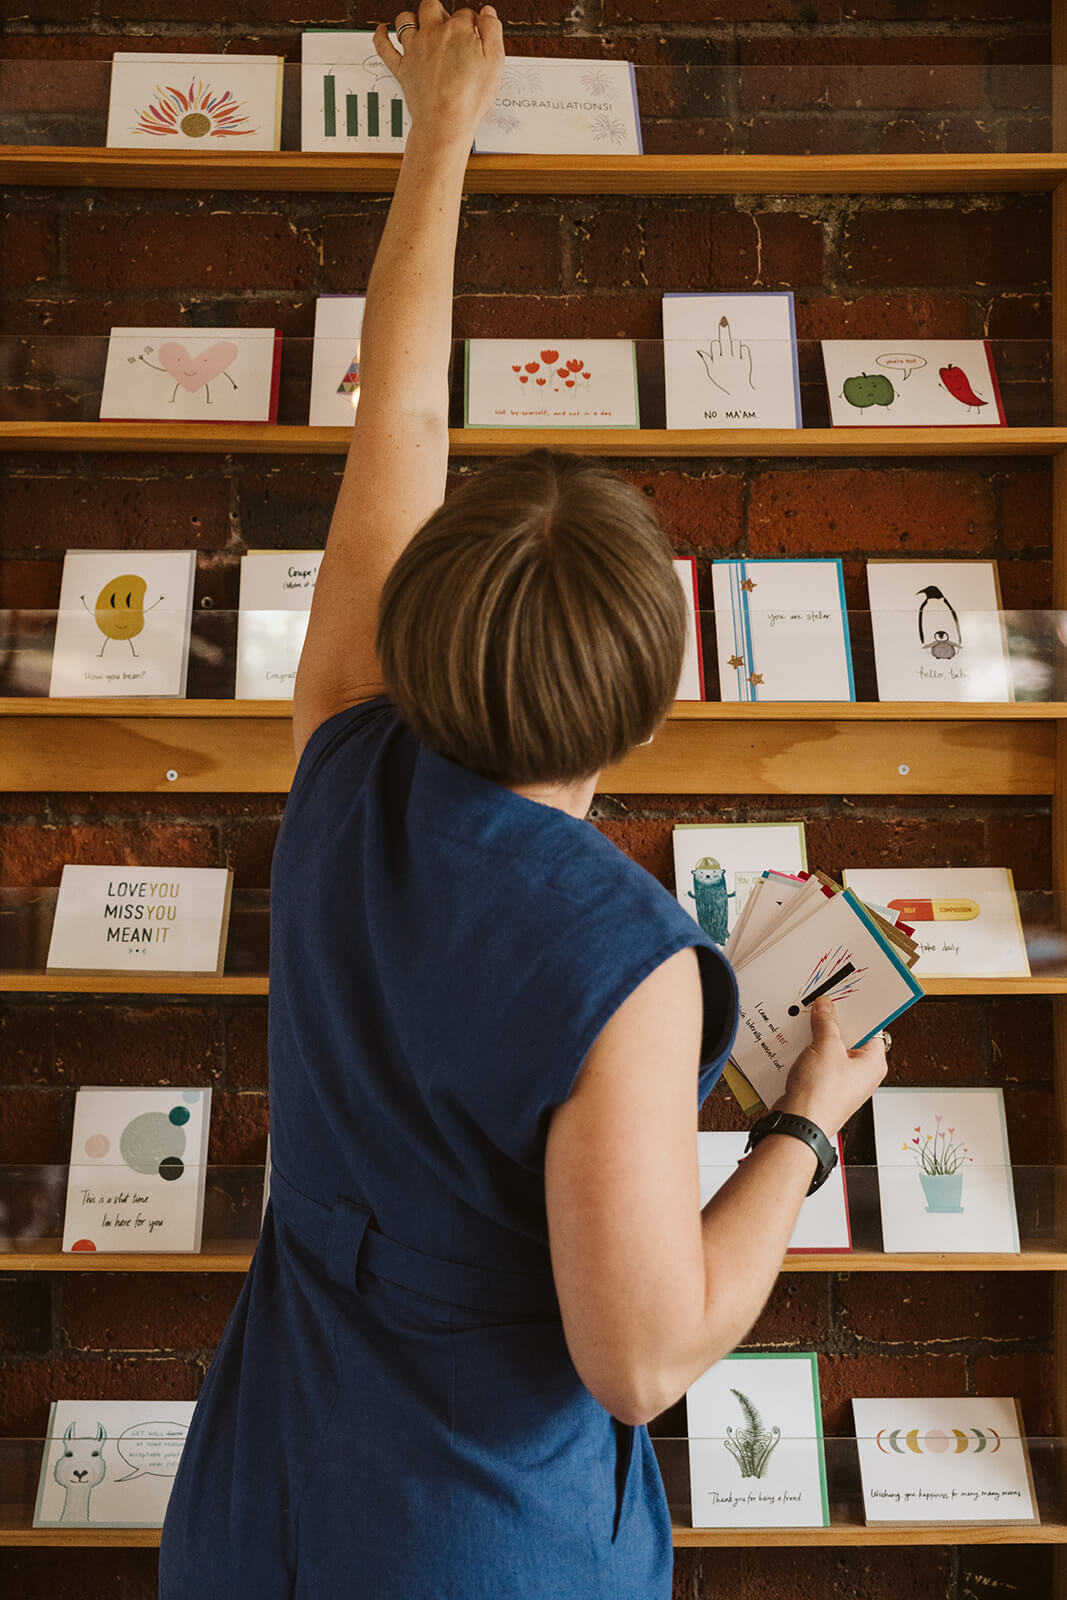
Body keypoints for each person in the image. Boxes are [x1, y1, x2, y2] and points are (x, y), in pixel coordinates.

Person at [159, 7, 887, 1596]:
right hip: (471, 1544)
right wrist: (802, 1137)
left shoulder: (343, 747)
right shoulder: (618, 959)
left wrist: (441, 131)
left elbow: (396, 423)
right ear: (650, 702)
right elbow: (639, 1361)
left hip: (266, 1493)